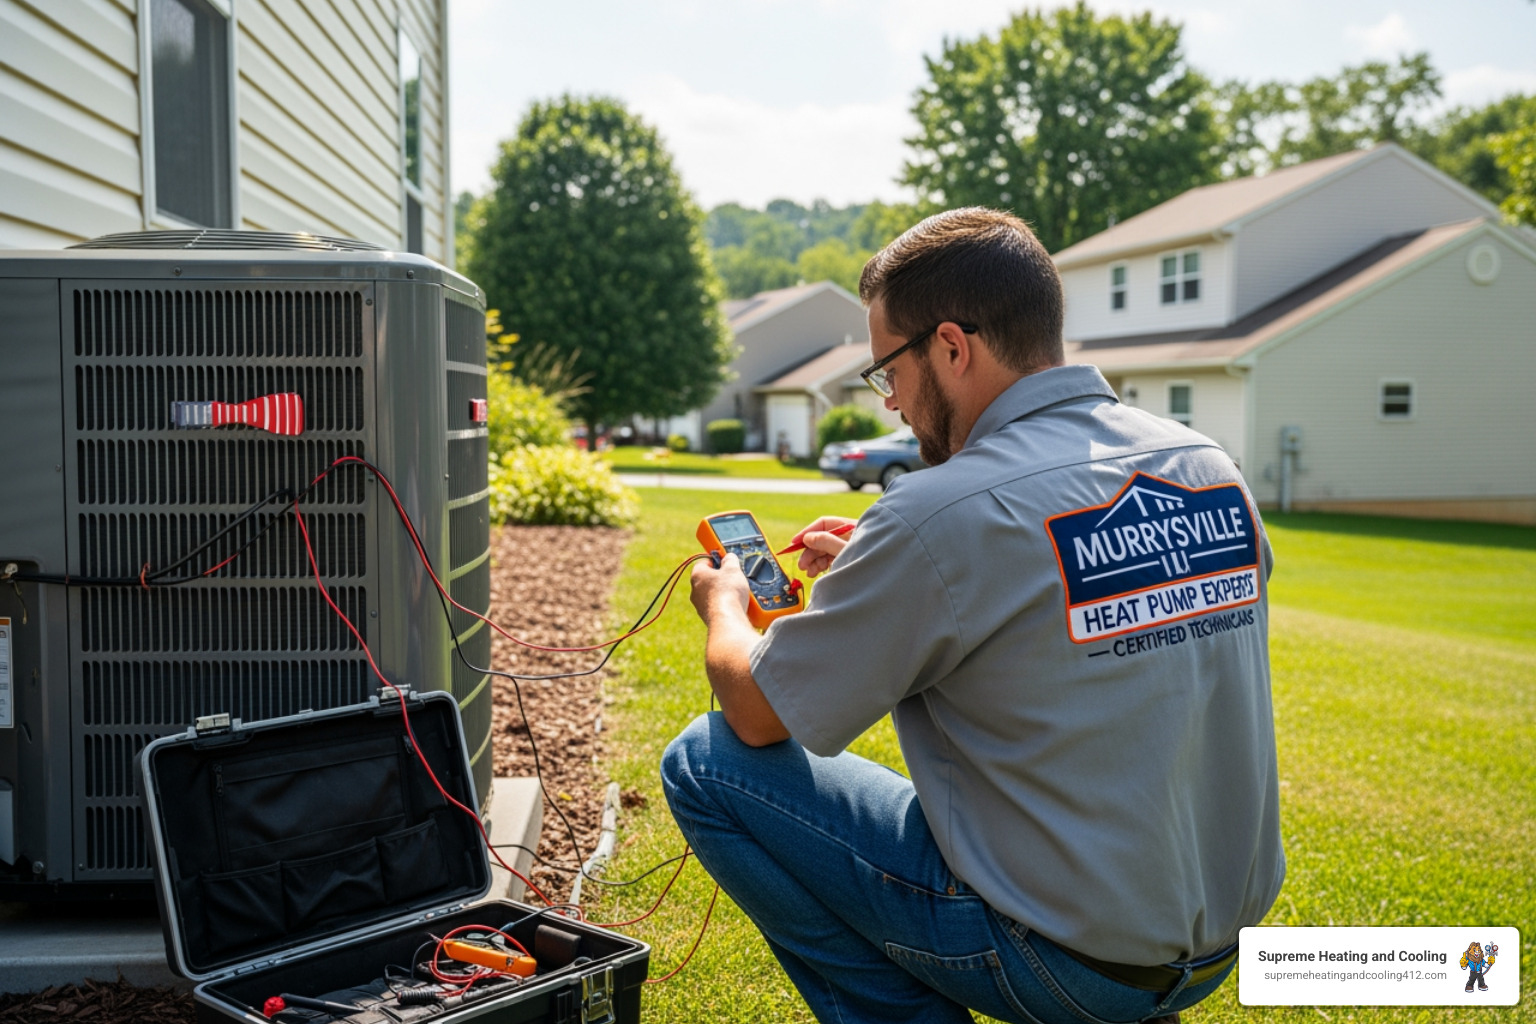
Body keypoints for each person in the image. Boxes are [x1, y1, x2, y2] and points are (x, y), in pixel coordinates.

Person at [663, 208, 1284, 1024]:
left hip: (1058, 958)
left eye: (888, 370)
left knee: (704, 762)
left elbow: (756, 713)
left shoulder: (938, 512)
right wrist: (896, 566)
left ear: (952, 347)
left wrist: (725, 606)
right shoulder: (1203, 464)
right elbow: (1076, 591)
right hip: (1212, 948)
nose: (890, 405)